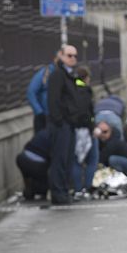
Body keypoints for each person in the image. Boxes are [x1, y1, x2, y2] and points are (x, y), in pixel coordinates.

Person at [46, 44, 81, 205]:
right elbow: (53, 100)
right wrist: (59, 120)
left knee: (67, 159)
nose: (72, 58)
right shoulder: (58, 75)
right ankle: (58, 192)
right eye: (69, 55)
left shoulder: (70, 75)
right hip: (61, 124)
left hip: (69, 123)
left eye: (74, 56)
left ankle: (64, 190)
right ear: (61, 56)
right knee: (59, 159)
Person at [70, 66, 98, 200]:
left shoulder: (70, 89)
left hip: (73, 129)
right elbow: (88, 112)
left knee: (76, 160)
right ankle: (86, 188)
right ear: (86, 78)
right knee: (92, 158)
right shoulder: (86, 91)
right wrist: (92, 127)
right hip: (86, 129)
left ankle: (76, 190)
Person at [26, 52, 60, 133]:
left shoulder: (68, 74)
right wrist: (39, 112)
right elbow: (31, 92)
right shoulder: (45, 73)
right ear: (55, 59)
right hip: (45, 117)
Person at [16, 128, 51, 200]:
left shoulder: (41, 132)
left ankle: (28, 188)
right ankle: (38, 189)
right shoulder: (56, 135)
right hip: (38, 165)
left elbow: (27, 146)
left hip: (22, 159)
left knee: (28, 172)